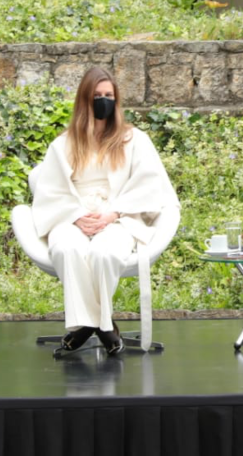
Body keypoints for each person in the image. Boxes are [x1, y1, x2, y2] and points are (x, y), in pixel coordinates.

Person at [31, 67, 179, 355]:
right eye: (96, 96)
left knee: (105, 253)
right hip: (73, 216)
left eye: (108, 95)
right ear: (84, 100)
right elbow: (50, 190)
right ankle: (104, 324)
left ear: (116, 99)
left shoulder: (133, 139)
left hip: (118, 216)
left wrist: (114, 213)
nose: (103, 101)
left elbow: (149, 184)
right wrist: (74, 216)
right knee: (66, 250)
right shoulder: (63, 144)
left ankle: (86, 327)